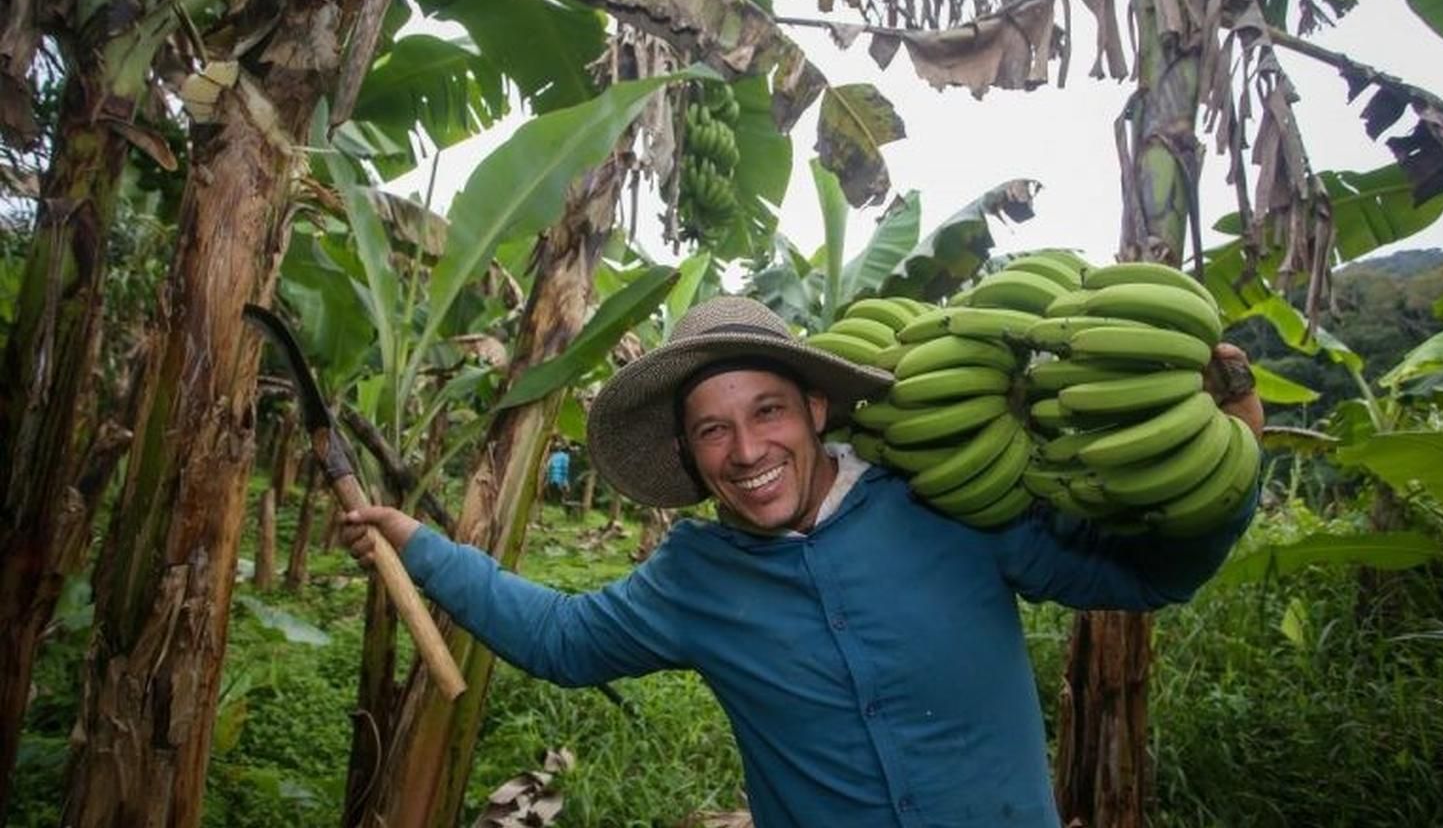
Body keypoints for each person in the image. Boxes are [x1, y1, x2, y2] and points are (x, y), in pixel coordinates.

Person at [343, 296, 1264, 828]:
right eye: (713, 429)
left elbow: (1149, 577)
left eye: (768, 412)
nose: (746, 450)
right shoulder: (694, 578)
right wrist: (419, 545)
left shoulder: (947, 501)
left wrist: (1225, 468)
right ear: (691, 456)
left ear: (817, 408)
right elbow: (561, 639)